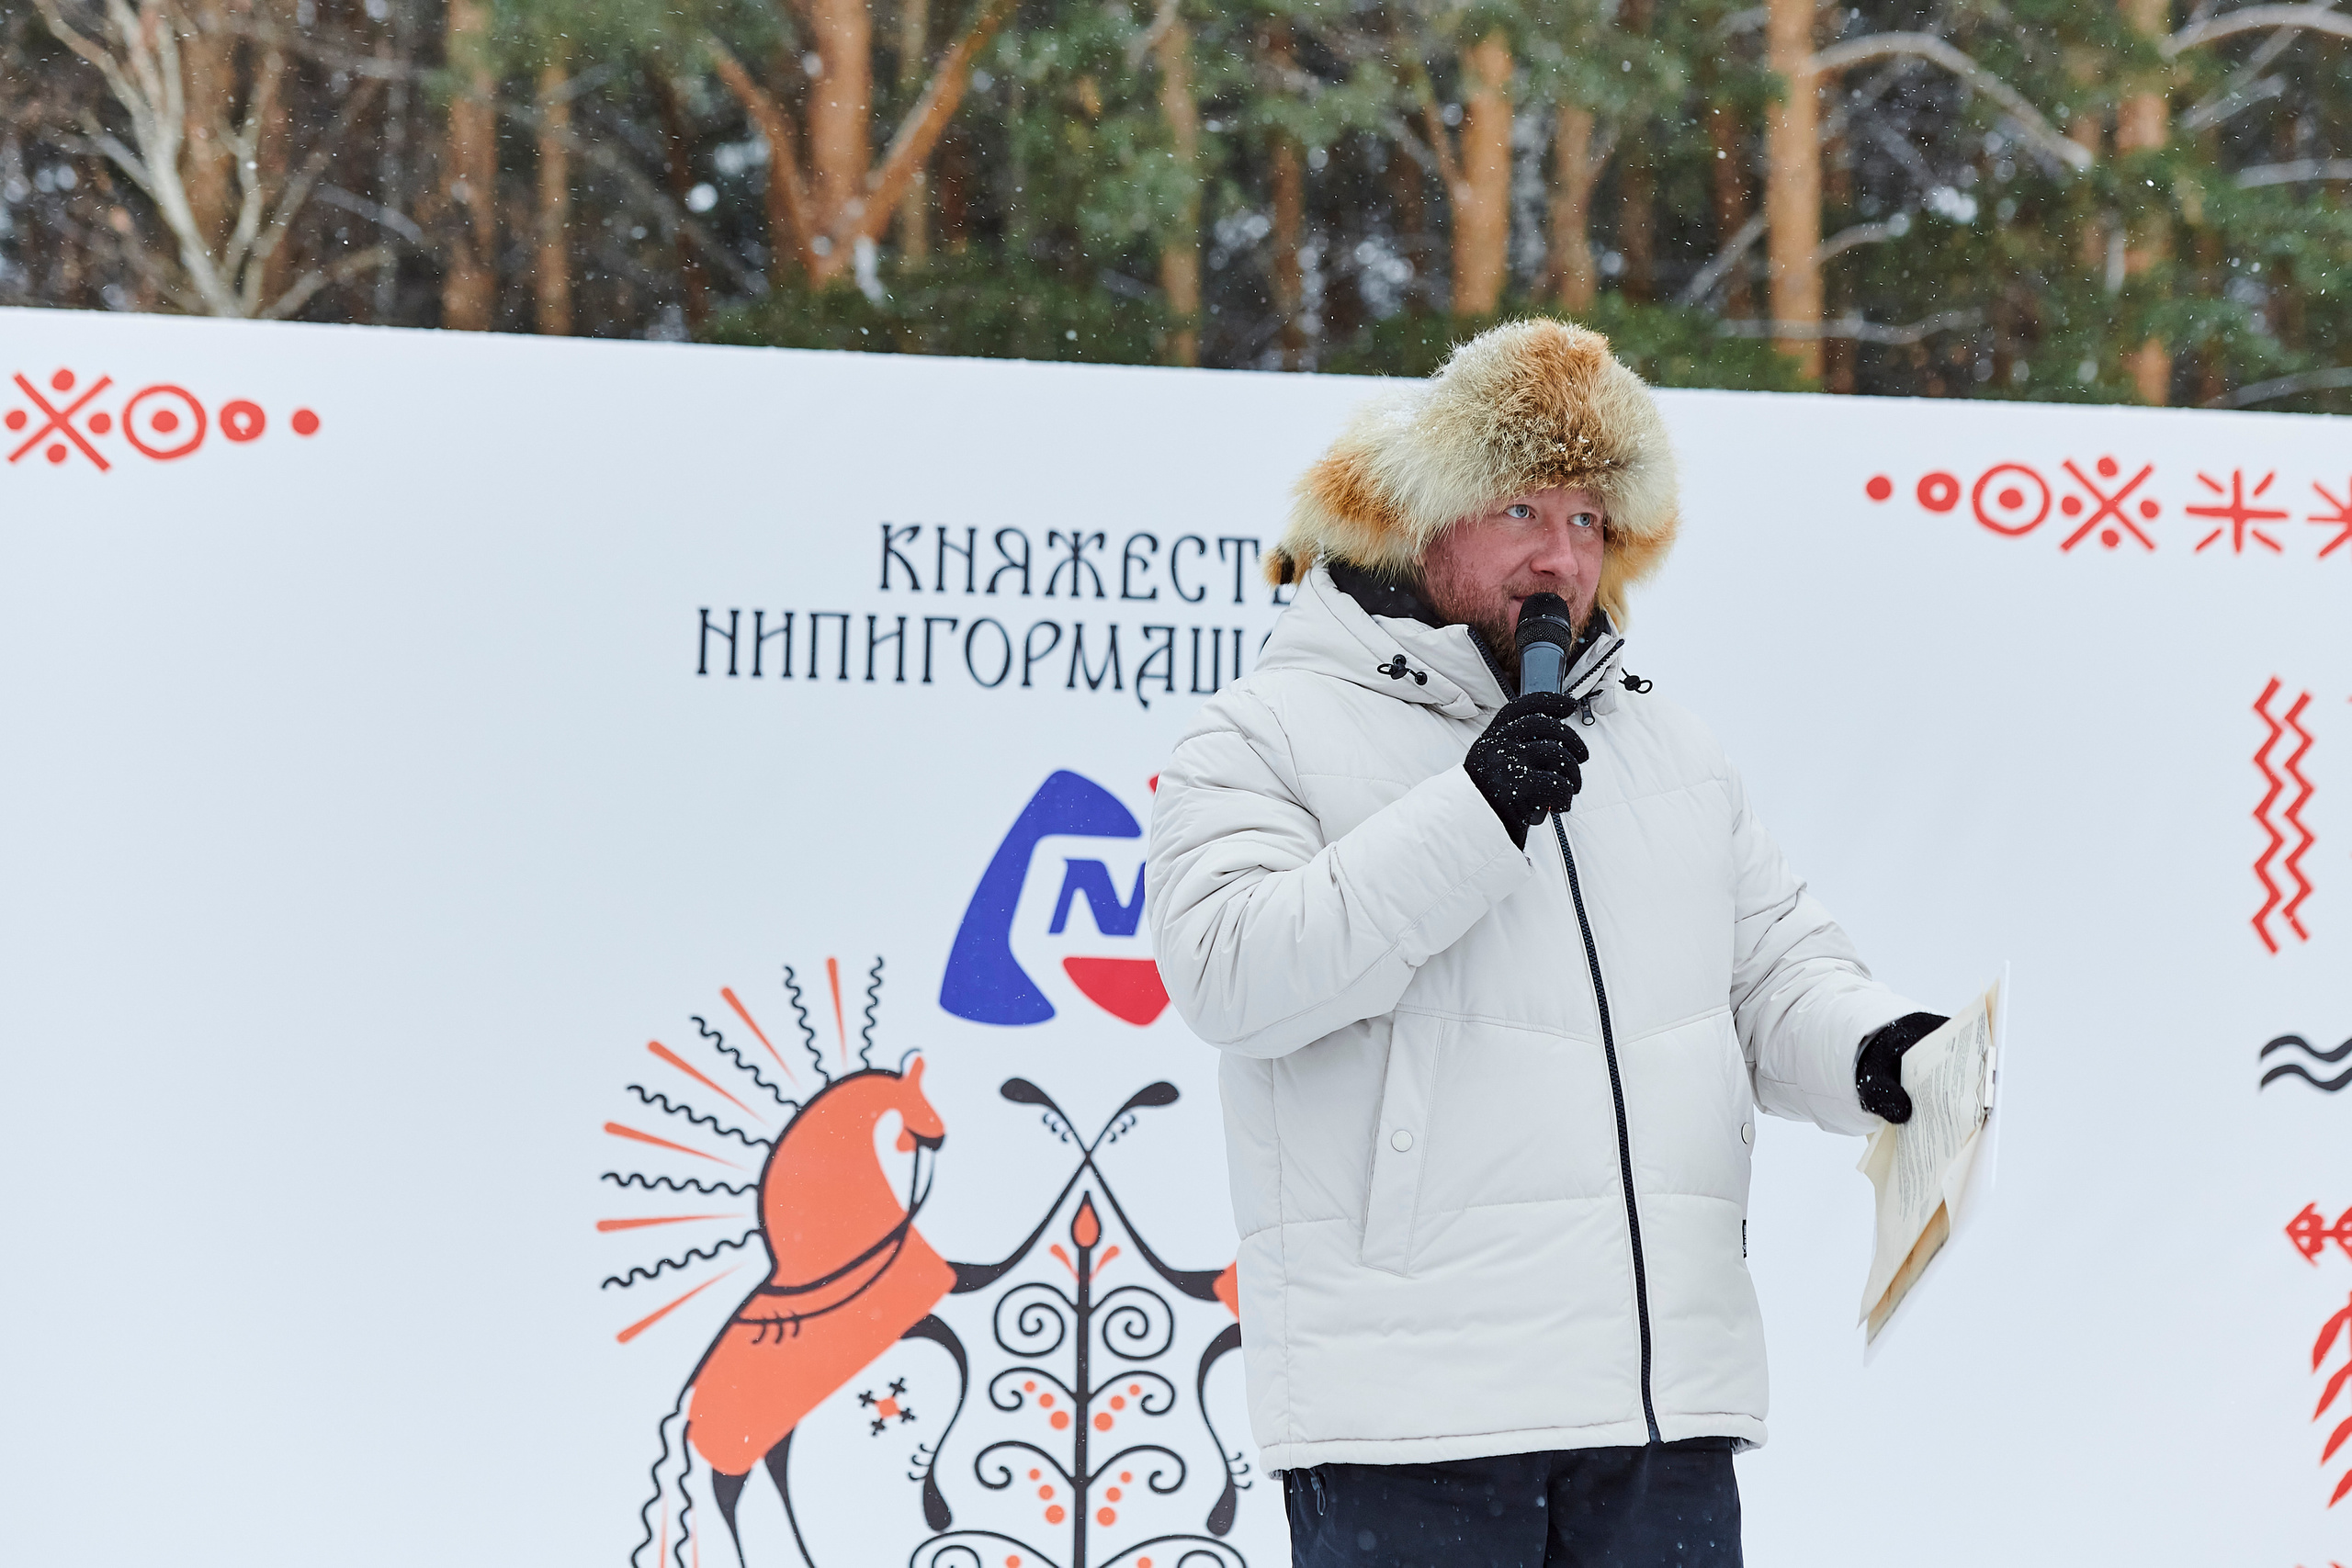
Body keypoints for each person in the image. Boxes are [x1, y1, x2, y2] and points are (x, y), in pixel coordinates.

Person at [1145, 320, 1945, 1568]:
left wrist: (1879, 1053)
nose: (1560, 555)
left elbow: (1776, 974)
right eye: (1522, 507)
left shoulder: (1668, 748)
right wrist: (1475, 813)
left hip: (1660, 1419)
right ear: (1428, 513)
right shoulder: (1266, 731)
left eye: (1587, 520)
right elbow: (1233, 977)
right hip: (1414, 1420)